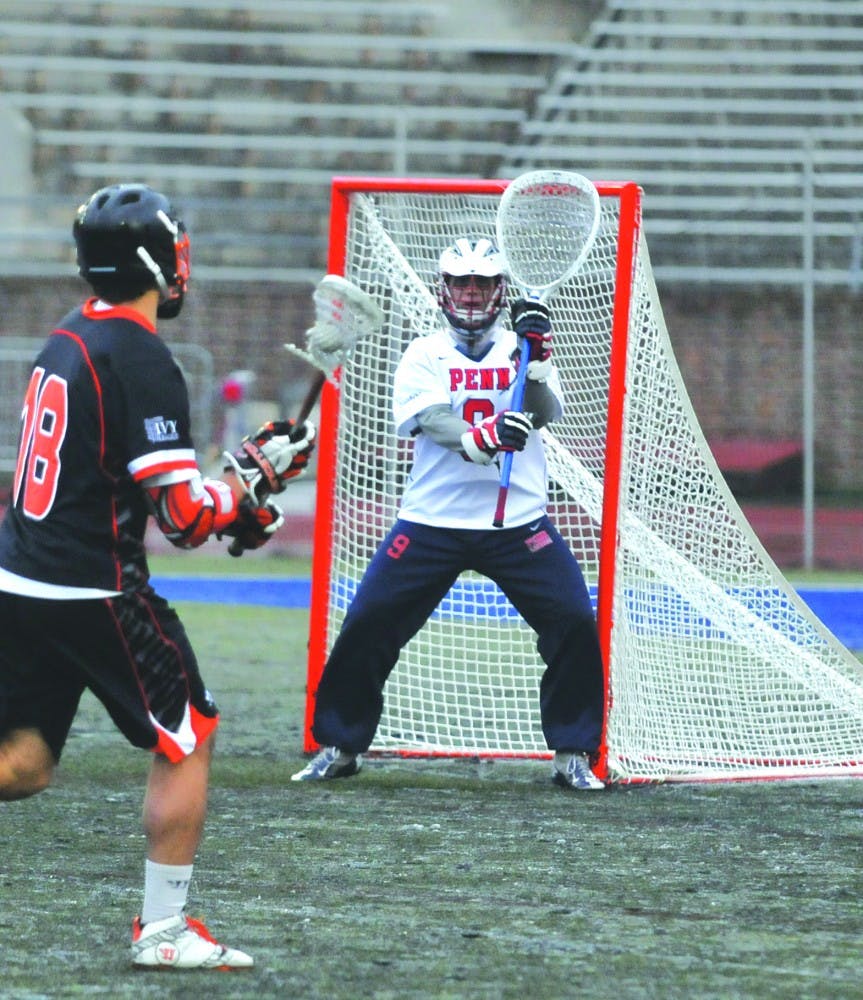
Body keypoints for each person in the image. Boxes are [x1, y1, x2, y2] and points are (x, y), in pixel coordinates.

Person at [0, 183, 315, 969]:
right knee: (189, 734)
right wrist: (245, 483)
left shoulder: (71, 335)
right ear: (156, 260)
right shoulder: (140, 354)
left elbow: (130, 481)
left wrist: (241, 491)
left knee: (24, 765)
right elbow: (182, 517)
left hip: (21, 578)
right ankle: (165, 932)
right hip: (92, 587)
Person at [292, 236, 606, 791]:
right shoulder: (424, 353)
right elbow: (436, 422)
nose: (470, 292)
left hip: (517, 523)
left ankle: (572, 752)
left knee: (574, 623)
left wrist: (534, 367)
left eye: (481, 282)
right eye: (461, 281)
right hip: (432, 521)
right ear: (444, 288)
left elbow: (546, 412)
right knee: (368, 623)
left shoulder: (523, 348)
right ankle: (340, 744)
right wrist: (483, 436)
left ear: (499, 290)